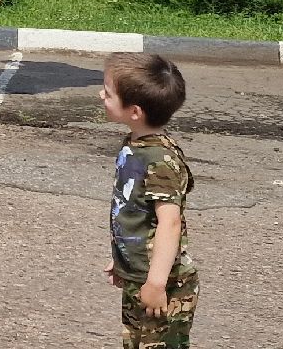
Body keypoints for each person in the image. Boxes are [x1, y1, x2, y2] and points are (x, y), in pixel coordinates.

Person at [100, 52, 198, 349]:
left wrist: (156, 283)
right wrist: (124, 258)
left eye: (108, 93)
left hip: (165, 283)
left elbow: (170, 223)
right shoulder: (136, 144)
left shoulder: (159, 159)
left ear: (134, 111)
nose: (100, 95)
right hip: (139, 274)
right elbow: (137, 213)